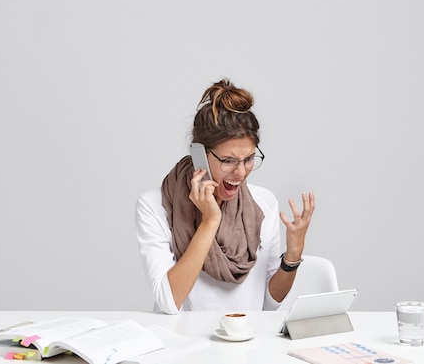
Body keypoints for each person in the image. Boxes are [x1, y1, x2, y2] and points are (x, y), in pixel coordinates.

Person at [135, 79, 315, 314]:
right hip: (183, 344)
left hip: (245, 342)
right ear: (199, 154)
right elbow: (170, 302)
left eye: (249, 159)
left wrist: (293, 255)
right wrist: (210, 220)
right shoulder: (154, 207)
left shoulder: (263, 204)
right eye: (228, 161)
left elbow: (269, 304)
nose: (240, 172)